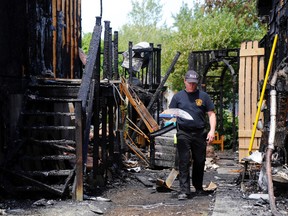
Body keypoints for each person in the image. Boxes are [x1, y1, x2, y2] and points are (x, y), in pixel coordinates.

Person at [169, 70, 216, 200]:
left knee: (200, 161)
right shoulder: (178, 97)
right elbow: (170, 114)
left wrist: (212, 131)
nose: (192, 86)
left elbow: (211, 114)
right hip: (183, 132)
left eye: (194, 83)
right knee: (183, 161)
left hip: (200, 133)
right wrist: (169, 119)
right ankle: (184, 190)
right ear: (185, 81)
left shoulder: (203, 96)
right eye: (190, 83)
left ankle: (198, 187)